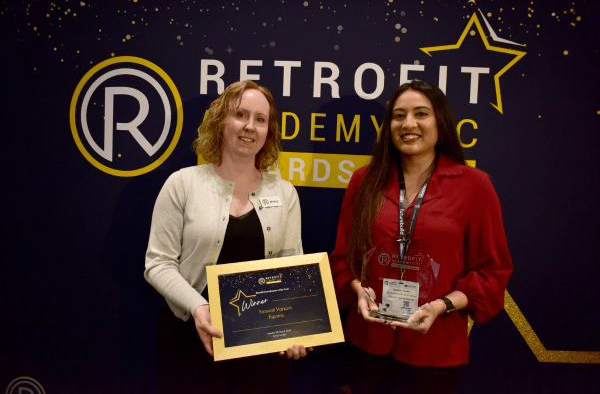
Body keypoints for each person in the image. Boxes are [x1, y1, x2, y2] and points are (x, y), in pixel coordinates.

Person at [330, 81, 513, 394]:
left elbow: (492, 272)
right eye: (398, 115)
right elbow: (343, 258)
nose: (408, 123)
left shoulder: (475, 185)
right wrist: (357, 289)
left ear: (440, 125)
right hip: (369, 340)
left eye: (421, 114)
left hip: (436, 346)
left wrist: (442, 305)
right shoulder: (364, 180)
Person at [144, 81, 308, 394]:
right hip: (191, 338)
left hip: (259, 343)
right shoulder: (182, 184)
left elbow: (292, 266)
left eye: (260, 120)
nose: (250, 127)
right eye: (240, 115)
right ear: (221, 123)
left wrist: (295, 325)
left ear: (268, 131)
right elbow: (158, 264)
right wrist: (199, 308)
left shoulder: (285, 193)